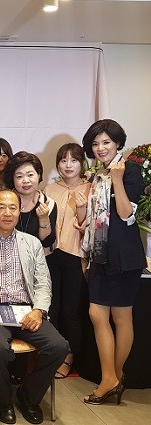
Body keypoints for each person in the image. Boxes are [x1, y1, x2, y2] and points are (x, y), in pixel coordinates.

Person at [0, 189, 69, 425]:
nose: (7, 213)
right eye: (1, 207)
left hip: (25, 309)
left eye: (13, 208)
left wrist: (38, 311)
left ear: (20, 212)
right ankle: (3, 400)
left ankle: (28, 395)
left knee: (59, 346)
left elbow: (43, 283)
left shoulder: (31, 243)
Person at [80, 119, 146, 405]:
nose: (100, 148)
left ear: (118, 143)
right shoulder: (99, 174)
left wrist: (118, 181)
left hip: (123, 255)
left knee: (121, 317)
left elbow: (126, 214)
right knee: (97, 314)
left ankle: (112, 378)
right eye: (95, 144)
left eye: (106, 142)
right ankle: (112, 378)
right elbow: (97, 218)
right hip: (100, 253)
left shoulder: (128, 171)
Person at [44, 143, 91, 379]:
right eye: (63, 160)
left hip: (76, 255)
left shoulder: (91, 188)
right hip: (51, 254)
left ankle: (69, 357)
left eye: (73, 160)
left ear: (82, 163)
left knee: (71, 310)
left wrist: (82, 208)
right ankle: (53, 353)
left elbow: (90, 228)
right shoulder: (50, 189)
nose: (68, 165)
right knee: (52, 307)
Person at [2, 151, 57, 250]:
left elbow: (47, 242)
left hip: (35, 257)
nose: (26, 181)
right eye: (19, 176)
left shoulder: (49, 203)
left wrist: (44, 218)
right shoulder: (1, 201)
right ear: (12, 179)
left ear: (39, 175)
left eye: (30, 175)